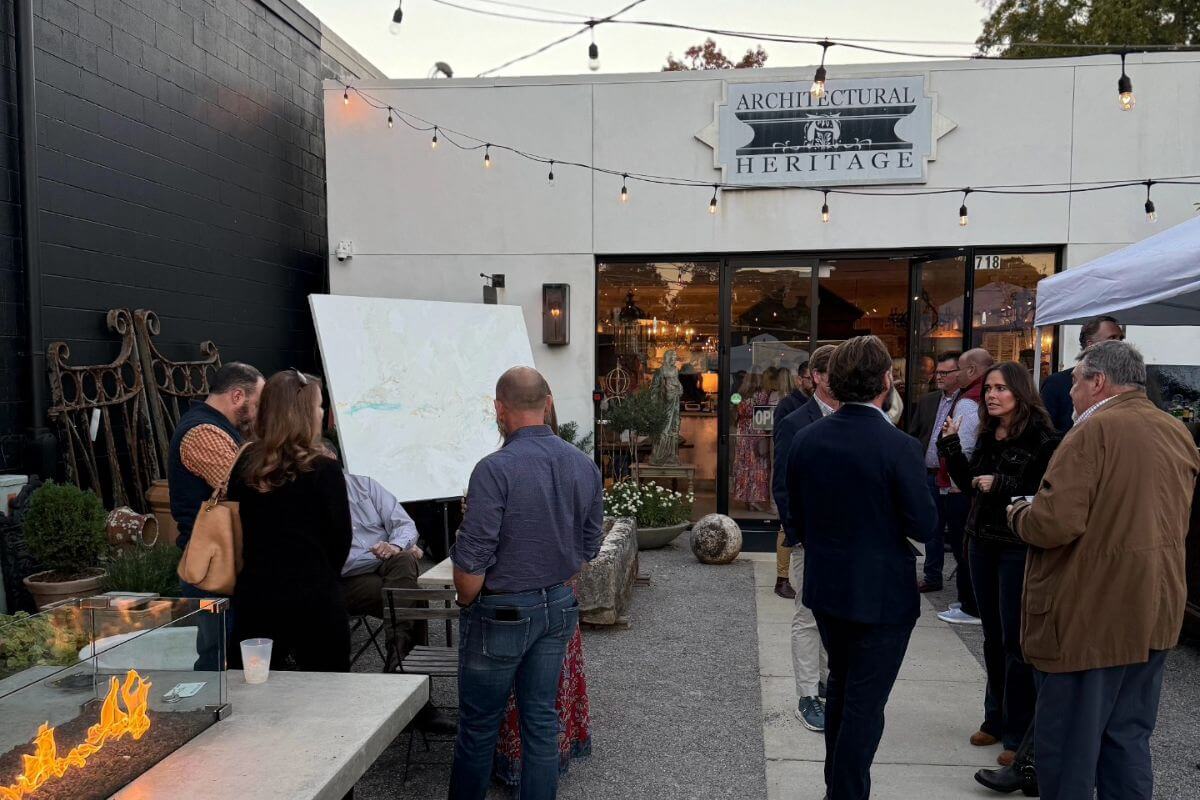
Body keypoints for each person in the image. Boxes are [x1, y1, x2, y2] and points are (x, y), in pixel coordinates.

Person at [1008, 340, 1199, 800]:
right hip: (1153, 608)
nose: (1070, 393)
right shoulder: (1174, 429)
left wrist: (1018, 512)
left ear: (1098, 382)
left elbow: (1054, 524)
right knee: (1126, 741)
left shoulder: (1093, 430)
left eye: (1075, 382)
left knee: (1068, 751)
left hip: (1091, 616)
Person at [786, 336, 937, 800]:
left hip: (829, 586)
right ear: (886, 380)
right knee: (863, 705)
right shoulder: (898, 446)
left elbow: (795, 518)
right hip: (881, 596)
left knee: (843, 690)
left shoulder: (807, 438)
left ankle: (837, 787)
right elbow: (925, 523)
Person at [449, 367, 604, 800]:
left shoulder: (493, 469)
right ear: (548, 403)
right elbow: (590, 544)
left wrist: (466, 598)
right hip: (558, 606)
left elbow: (472, 562)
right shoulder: (583, 465)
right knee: (541, 719)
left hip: (502, 611)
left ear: (499, 409)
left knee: (479, 726)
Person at [938, 362, 1059, 766]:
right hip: (981, 542)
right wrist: (951, 446)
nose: (991, 395)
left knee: (1014, 640)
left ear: (1020, 392)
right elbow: (970, 483)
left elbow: (1046, 494)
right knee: (991, 634)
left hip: (1016, 545)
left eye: (1000, 388)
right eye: (988, 388)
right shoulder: (989, 433)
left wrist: (1002, 484)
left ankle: (1017, 733)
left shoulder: (1044, 438)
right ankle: (994, 718)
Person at [493, 401, 592, 789]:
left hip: (518, 593)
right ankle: (546, 763)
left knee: (525, 691)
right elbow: (589, 538)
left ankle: (515, 760)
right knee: (545, 694)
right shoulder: (576, 463)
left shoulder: (502, 465)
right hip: (561, 591)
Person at [228, 369, 353, 672]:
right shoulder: (324, 470)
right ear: (303, 414)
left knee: (254, 691)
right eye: (319, 406)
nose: (322, 413)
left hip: (257, 598)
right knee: (326, 692)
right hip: (316, 600)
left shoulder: (245, 466)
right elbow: (341, 541)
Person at [167, 362, 263, 669]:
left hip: (219, 561)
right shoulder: (203, 432)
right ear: (237, 396)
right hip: (211, 567)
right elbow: (247, 486)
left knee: (229, 652)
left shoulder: (219, 428)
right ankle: (208, 700)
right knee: (219, 657)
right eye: (258, 403)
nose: (260, 411)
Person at [772, 344, 837, 733]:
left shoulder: (855, 417)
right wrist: (797, 537)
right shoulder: (795, 421)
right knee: (808, 614)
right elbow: (783, 486)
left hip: (845, 540)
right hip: (810, 541)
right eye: (833, 372)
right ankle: (807, 695)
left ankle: (825, 678)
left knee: (834, 615)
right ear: (817, 377)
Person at [339, 473, 426, 662]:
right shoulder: (309, 494)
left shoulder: (363, 485)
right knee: (414, 597)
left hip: (386, 563)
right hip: (347, 577)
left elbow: (404, 523)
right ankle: (403, 661)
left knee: (403, 559)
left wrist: (395, 546)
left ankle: (399, 656)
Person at [930, 348, 991, 603]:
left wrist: (956, 484)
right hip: (969, 484)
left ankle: (969, 603)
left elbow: (963, 449)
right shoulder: (977, 396)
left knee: (962, 545)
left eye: (956, 370)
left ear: (971, 370)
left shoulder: (968, 401)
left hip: (962, 488)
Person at [907, 352, 963, 598]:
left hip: (955, 478)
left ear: (958, 374)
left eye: (944, 373)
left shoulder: (967, 402)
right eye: (937, 372)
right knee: (932, 528)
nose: (938, 377)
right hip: (929, 475)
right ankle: (932, 575)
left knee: (958, 530)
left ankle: (965, 583)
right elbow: (914, 433)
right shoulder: (928, 401)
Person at [771, 358, 813, 600]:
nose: (813, 383)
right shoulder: (787, 406)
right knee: (784, 526)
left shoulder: (823, 406)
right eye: (809, 378)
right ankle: (782, 578)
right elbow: (781, 442)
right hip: (791, 473)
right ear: (799, 380)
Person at [1039, 315, 1123, 434]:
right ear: (1091, 345)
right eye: (1112, 338)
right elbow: (1044, 432)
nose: (1120, 344)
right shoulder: (1057, 383)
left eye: (1121, 339)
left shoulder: (1124, 384)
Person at [733, 370, 772, 512]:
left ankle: (746, 498)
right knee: (757, 465)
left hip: (743, 431)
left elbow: (734, 409)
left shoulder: (739, 395)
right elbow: (766, 414)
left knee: (744, 465)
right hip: (757, 430)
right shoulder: (762, 394)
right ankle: (754, 499)